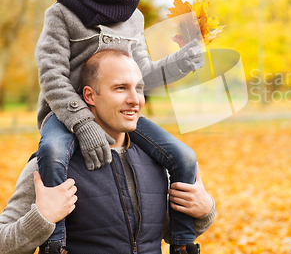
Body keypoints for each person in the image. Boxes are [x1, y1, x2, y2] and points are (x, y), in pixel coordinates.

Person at [35, 0, 205, 253]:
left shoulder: (133, 17)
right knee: (53, 154)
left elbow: (144, 76)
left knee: (184, 156)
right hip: (67, 113)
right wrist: (82, 124)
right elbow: (52, 76)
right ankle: (54, 244)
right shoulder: (60, 15)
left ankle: (183, 242)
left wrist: (182, 62)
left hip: (117, 112)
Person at [0, 49, 215, 254]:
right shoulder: (53, 165)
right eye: (120, 88)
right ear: (90, 96)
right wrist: (42, 218)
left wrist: (204, 210)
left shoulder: (156, 160)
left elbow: (166, 231)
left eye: (138, 88)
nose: (135, 100)